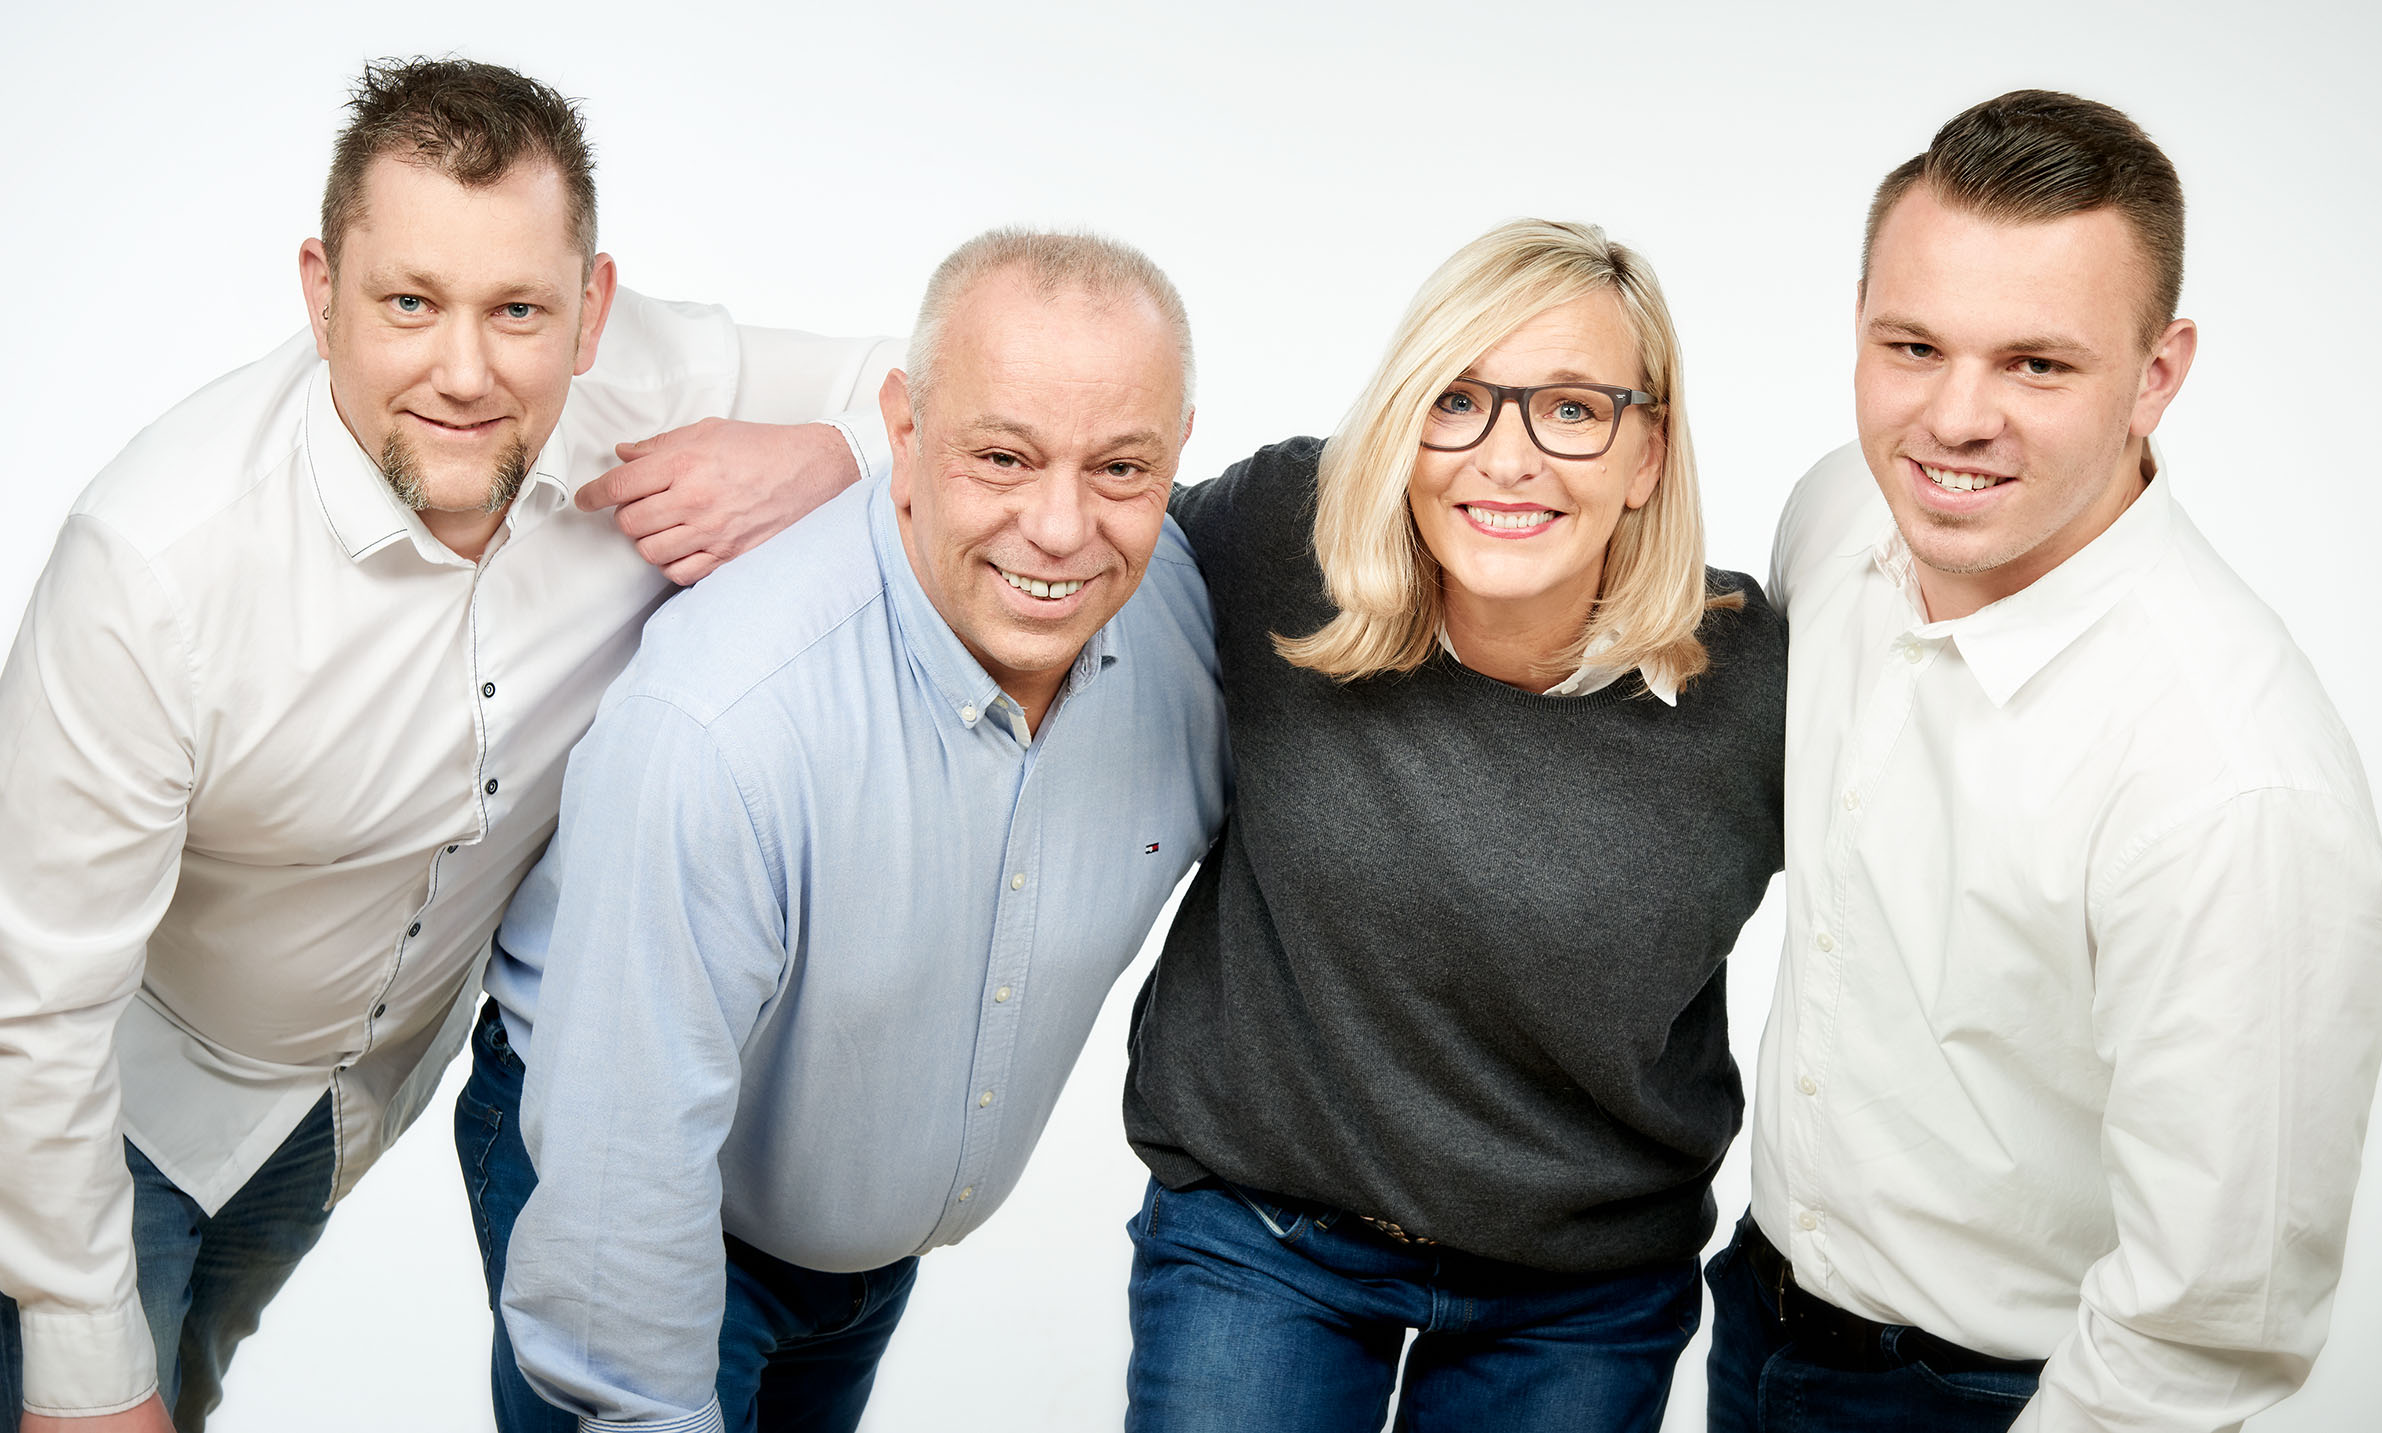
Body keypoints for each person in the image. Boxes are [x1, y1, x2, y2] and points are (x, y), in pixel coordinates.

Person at [0, 57, 899, 1433]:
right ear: (320, 291)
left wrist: (828, 454)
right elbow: (31, 1011)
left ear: (593, 309)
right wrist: (80, 1374)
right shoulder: (154, 567)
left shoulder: (653, 377)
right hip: (93, 1120)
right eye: (409, 303)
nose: (466, 371)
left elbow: (957, 404)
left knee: (188, 1390)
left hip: (352, 1103)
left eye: (519, 309)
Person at [1706, 90, 2382, 1433]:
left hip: (2000, 1396)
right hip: (1761, 1315)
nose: (1955, 420)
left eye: (2037, 364)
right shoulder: (1837, 514)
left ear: (2159, 375)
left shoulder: (2234, 782)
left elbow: (2208, 1320)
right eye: (1913, 345)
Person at [472, 228, 1228, 1433]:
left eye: (1122, 468)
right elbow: (624, 1186)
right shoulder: (725, 724)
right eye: (1002, 455)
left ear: (1179, 452)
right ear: (904, 431)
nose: (1059, 526)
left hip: (856, 1260)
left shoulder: (1192, 629)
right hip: (635, 1168)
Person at [1119, 218, 1786, 1432]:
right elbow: (1060, 484)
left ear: (1650, 450)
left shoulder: (1760, 686)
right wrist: (831, 450)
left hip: (1580, 1285)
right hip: (1265, 1232)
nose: (1508, 457)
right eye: (1459, 400)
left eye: (1574, 409)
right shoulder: (1282, 533)